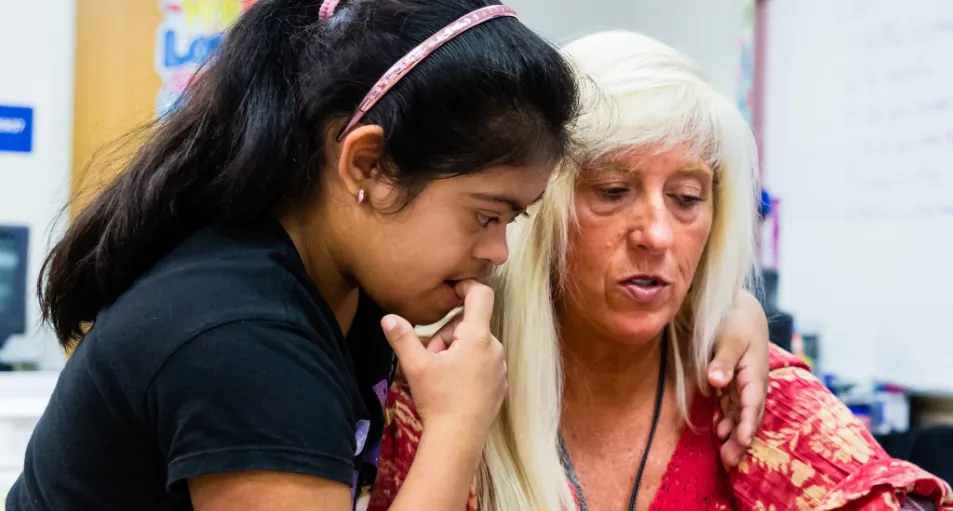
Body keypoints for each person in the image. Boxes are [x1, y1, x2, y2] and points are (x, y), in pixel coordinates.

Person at [5, 4, 770, 511]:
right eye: (485, 214)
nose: (497, 250)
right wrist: (458, 427)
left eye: (514, 219)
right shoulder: (242, 338)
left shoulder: (348, 279)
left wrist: (725, 310)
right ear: (366, 165)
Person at [369, 31, 953, 511]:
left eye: (687, 198)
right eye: (614, 190)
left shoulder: (752, 392)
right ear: (536, 210)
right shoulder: (447, 384)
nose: (657, 234)